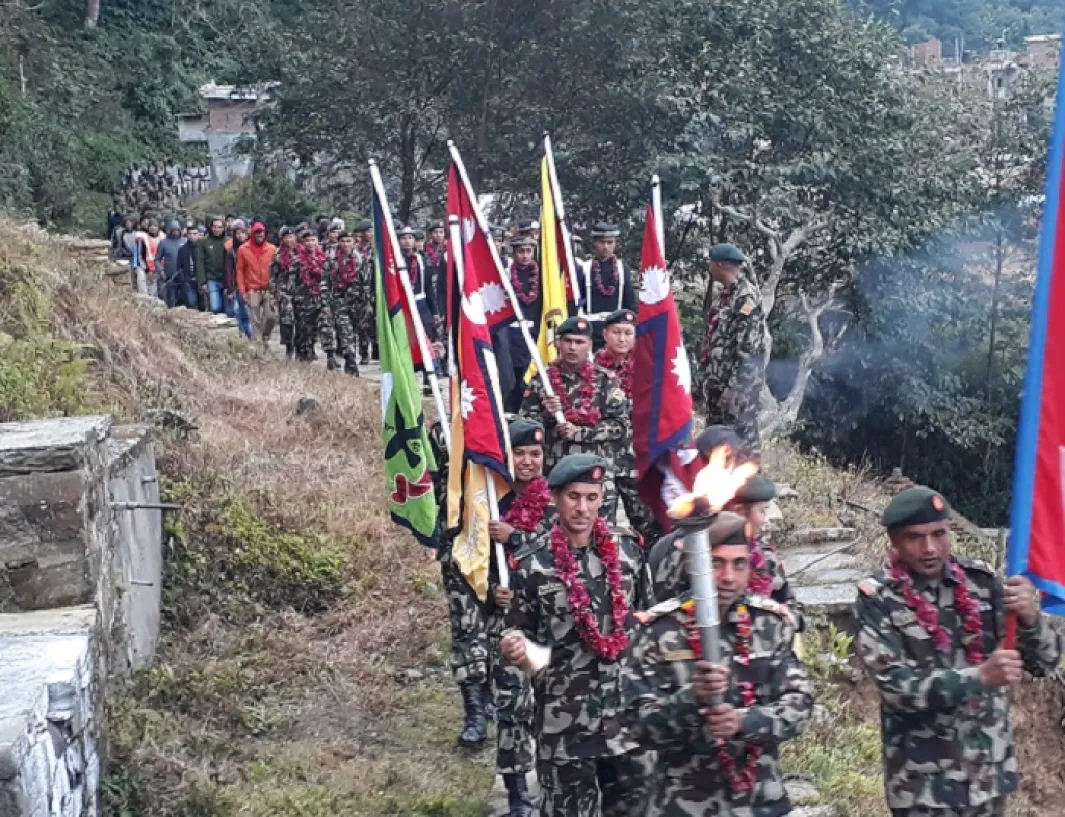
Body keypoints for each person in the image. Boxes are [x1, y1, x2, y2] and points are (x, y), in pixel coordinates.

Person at [854, 486, 1063, 817]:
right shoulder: (878, 599)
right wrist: (980, 676)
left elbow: (1045, 662)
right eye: (915, 537)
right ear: (893, 541)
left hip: (988, 776)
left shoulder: (982, 582)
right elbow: (896, 688)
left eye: (939, 534)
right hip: (923, 787)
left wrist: (1031, 618)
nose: (929, 549)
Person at [623, 511, 813, 817]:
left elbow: (799, 704)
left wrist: (744, 721)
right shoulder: (658, 632)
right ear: (693, 566)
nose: (728, 577)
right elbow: (637, 726)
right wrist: (689, 699)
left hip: (759, 802)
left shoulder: (770, 625)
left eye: (739, 564)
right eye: (716, 563)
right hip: (684, 804)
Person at [501, 454, 652, 817]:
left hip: (626, 718)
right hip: (565, 723)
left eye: (591, 497)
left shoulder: (629, 552)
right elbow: (524, 640)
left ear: (602, 498)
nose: (582, 508)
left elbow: (647, 620)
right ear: (555, 498)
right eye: (573, 496)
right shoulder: (533, 564)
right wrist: (519, 652)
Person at [484, 419, 557, 817]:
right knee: (512, 708)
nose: (527, 462)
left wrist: (515, 537)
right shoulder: (491, 503)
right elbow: (468, 563)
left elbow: (558, 553)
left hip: (548, 625)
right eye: (519, 453)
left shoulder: (555, 502)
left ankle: (549, 785)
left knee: (549, 706)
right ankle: (516, 796)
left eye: (535, 454)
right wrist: (491, 590)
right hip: (507, 624)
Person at [520, 317, 629, 523]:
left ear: (589, 345)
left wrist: (579, 433)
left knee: (600, 534)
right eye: (568, 341)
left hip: (596, 476)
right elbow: (525, 430)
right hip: (555, 474)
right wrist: (545, 415)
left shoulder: (606, 380)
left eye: (579, 342)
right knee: (553, 535)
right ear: (558, 343)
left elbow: (620, 426)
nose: (572, 347)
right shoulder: (541, 380)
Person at [595, 309, 658, 543]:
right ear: (605, 334)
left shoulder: (647, 369)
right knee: (602, 524)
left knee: (646, 521)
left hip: (636, 457)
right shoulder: (591, 370)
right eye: (616, 332)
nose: (622, 338)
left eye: (628, 333)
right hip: (602, 455)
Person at [700, 243, 766, 457]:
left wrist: (734, 388)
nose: (709, 268)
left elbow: (749, 350)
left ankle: (752, 486)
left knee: (742, 440)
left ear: (720, 265)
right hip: (718, 384)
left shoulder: (746, 299)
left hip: (738, 388)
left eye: (711, 263)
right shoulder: (725, 297)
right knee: (716, 439)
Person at [574, 223, 637, 349]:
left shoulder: (622, 269)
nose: (605, 247)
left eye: (610, 242)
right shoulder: (584, 268)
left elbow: (629, 303)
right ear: (594, 243)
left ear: (615, 244)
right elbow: (576, 302)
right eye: (602, 242)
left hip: (616, 331)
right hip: (591, 329)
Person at [503, 236, 543, 413]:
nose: (525, 256)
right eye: (521, 251)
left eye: (529, 251)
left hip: (533, 332)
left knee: (529, 376)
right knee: (510, 377)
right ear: (514, 253)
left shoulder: (541, 276)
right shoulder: (505, 274)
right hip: (511, 335)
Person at [292, 230, 337, 365]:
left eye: (313, 240)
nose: (310, 243)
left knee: (326, 327)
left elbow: (331, 280)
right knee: (307, 330)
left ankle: (330, 356)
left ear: (317, 241)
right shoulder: (297, 261)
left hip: (322, 299)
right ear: (303, 243)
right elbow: (292, 282)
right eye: (307, 241)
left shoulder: (325, 259)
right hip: (304, 300)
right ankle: (307, 353)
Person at [236, 222, 278, 347]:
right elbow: (240, 271)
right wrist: (242, 291)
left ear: (265, 233)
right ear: (252, 234)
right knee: (255, 320)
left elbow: (277, 271)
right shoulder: (243, 249)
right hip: (252, 289)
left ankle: (264, 338)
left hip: (268, 288)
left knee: (271, 317)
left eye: (262, 232)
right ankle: (258, 345)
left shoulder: (272, 249)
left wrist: (277, 289)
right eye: (257, 232)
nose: (260, 234)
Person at [326, 232, 362, 375]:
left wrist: (368, 303)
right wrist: (326, 304)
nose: (346, 244)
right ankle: (350, 361)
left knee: (355, 333)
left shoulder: (361, 260)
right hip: (339, 301)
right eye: (343, 241)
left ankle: (354, 355)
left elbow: (368, 282)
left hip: (358, 302)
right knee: (345, 331)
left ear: (354, 242)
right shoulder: (331, 261)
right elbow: (325, 283)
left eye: (349, 241)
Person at [271, 227, 300, 359]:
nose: (290, 239)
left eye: (292, 236)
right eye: (287, 237)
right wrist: (273, 294)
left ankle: (301, 347)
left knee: (301, 321)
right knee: (287, 321)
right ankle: (289, 347)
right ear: (282, 239)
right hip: (284, 292)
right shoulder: (278, 254)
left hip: (301, 292)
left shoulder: (301, 252)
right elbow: (273, 275)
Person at [352, 219, 378, 364]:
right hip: (359, 290)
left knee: (375, 321)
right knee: (362, 323)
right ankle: (363, 353)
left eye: (372, 231)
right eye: (368, 231)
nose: (370, 234)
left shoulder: (377, 249)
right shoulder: (356, 250)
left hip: (376, 289)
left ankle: (376, 348)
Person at [196, 218, 230, 314]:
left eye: (219, 227)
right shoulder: (203, 241)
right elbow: (199, 262)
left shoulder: (228, 241)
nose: (216, 229)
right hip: (211, 278)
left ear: (224, 228)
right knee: (215, 307)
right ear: (210, 227)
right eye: (214, 227)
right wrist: (202, 282)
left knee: (228, 310)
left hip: (226, 279)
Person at [226, 220, 252, 337]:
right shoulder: (231, 251)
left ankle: (253, 335)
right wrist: (230, 288)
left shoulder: (253, 248)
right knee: (240, 311)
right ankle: (243, 334)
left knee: (252, 313)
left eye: (243, 233)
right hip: (238, 284)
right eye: (237, 233)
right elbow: (228, 270)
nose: (240, 236)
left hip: (253, 284)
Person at [156, 220, 186, 308]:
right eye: (173, 230)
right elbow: (157, 259)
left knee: (185, 298)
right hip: (170, 275)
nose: (175, 232)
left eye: (177, 230)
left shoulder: (185, 241)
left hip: (184, 275)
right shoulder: (163, 243)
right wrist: (161, 271)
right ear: (169, 230)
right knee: (171, 298)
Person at [176, 224, 201, 309]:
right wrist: (183, 280)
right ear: (187, 235)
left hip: (201, 281)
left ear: (198, 234)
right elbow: (179, 267)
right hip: (188, 281)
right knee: (191, 304)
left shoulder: (202, 248)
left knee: (203, 305)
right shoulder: (182, 249)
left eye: (194, 233)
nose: (192, 236)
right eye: (190, 234)